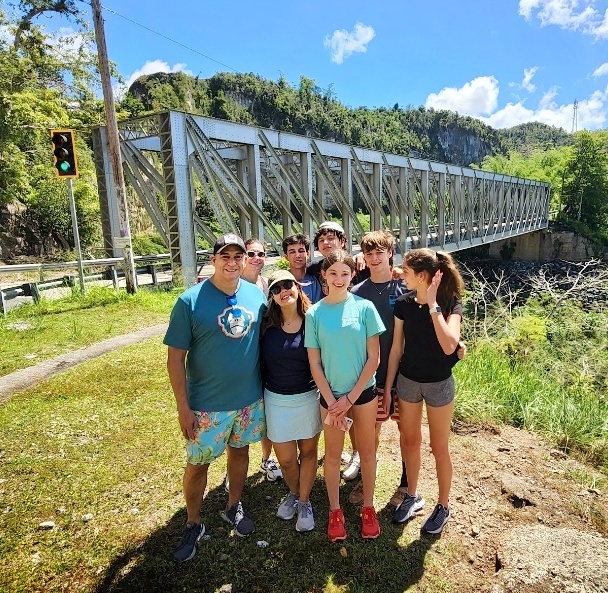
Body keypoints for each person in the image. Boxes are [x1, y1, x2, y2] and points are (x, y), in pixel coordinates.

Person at [164, 233, 267, 562]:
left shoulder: (256, 296)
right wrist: (183, 407)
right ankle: (194, 522)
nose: (233, 261)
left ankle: (233, 505)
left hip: (249, 399)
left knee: (240, 453)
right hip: (207, 404)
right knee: (198, 465)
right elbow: (174, 358)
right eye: (226, 255)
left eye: (239, 256)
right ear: (213, 259)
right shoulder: (189, 301)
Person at [305, 249, 385, 542]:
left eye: (345, 273)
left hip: (361, 394)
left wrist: (348, 400)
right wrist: (332, 401)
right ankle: (335, 510)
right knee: (334, 454)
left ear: (352, 276)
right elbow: (314, 361)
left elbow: (373, 358)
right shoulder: (314, 313)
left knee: (366, 451)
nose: (339, 279)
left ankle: (368, 507)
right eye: (333, 273)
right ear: (324, 276)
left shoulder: (364, 308)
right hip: (330, 396)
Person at [385, 248, 465, 535]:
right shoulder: (403, 304)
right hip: (408, 382)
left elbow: (448, 345)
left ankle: (443, 505)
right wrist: (388, 388)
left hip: (439, 384)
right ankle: (412, 495)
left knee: (439, 447)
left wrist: (433, 305)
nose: (399, 274)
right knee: (410, 441)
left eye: (404, 271)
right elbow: (397, 349)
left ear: (421, 276)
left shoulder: (449, 303)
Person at [348, 230, 424, 511]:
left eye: (380, 252)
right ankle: (367, 476)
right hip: (371, 376)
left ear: (391, 253)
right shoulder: (357, 293)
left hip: (405, 376)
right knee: (371, 431)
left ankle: (406, 484)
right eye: (369, 253)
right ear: (363, 257)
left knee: (408, 432)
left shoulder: (406, 290)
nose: (374, 257)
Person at [261, 270, 322, 532]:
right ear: (272, 297)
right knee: (285, 460)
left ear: (297, 288)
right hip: (275, 400)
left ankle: (304, 501)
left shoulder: (314, 321)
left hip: (308, 397)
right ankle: (295, 492)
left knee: (308, 453)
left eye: (288, 285)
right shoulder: (265, 326)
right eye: (277, 289)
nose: (283, 291)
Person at [241, 237, 282, 482]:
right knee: (241, 414)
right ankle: (233, 469)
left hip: (267, 356)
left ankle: (267, 459)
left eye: (261, 254)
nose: (257, 258)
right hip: (244, 357)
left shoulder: (267, 284)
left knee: (267, 411)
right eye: (251, 253)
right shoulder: (234, 285)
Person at [282, 233, 323, 304]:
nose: (297, 255)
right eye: (292, 252)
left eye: (301, 251)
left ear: (308, 254)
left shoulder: (315, 281)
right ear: (286, 257)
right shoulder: (281, 281)